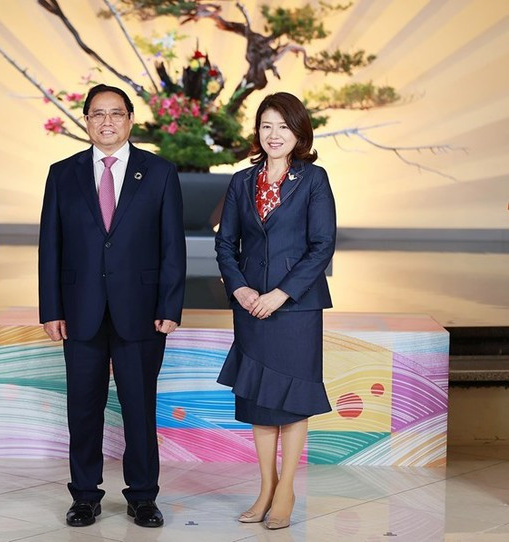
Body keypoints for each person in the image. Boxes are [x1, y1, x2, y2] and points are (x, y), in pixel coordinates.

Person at [38, 84, 186, 528]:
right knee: (83, 408)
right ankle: (85, 495)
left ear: (130, 120)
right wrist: (51, 308)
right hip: (79, 309)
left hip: (141, 310)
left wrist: (170, 305)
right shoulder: (61, 174)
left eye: (116, 114)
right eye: (97, 114)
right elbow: (51, 246)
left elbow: (171, 246)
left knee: (139, 406)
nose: (107, 122)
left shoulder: (159, 172)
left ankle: (143, 496)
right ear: (86, 121)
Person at [215, 92, 336, 530]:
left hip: (296, 308)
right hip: (250, 306)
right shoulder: (241, 182)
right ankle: (264, 488)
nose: (274, 134)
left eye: (283, 126)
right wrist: (242, 289)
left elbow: (322, 246)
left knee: (292, 401)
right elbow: (225, 243)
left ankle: (285, 489)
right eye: (267, 126)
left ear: (299, 132)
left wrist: (281, 294)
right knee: (258, 401)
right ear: (257, 132)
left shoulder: (314, 179)